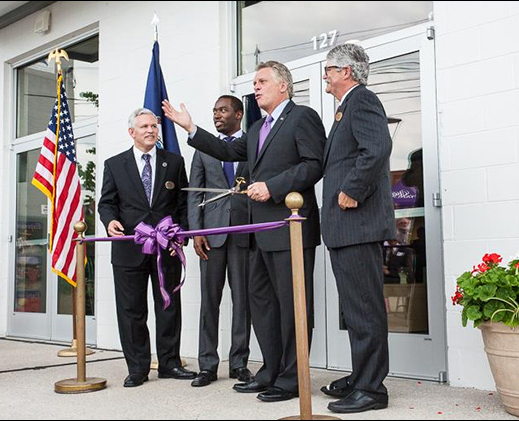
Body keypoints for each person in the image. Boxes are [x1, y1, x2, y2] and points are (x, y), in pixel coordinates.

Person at [163, 60, 326, 402]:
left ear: (284, 85)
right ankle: (270, 370)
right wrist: (191, 128)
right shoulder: (256, 128)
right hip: (258, 235)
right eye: (254, 81)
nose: (256, 86)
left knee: (292, 305)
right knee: (262, 305)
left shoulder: (302, 117)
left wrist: (272, 187)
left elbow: (314, 165)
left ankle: (293, 378)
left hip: (289, 230)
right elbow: (224, 149)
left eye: (262, 80)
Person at [319, 44, 395, 413]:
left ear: (346, 71)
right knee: (355, 308)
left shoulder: (362, 100)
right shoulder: (345, 107)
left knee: (364, 309)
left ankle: (372, 390)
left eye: (329, 69)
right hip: (345, 228)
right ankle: (360, 376)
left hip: (358, 225)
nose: (325, 76)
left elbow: (378, 148)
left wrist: (352, 190)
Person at [98, 108, 196, 388]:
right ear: (132, 132)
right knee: (132, 310)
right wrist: (110, 221)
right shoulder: (115, 164)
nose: (151, 130)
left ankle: (170, 364)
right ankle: (138, 368)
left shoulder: (174, 162)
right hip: (129, 248)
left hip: (166, 247)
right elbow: (107, 202)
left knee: (168, 305)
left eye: (154, 126)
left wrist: (183, 232)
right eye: (144, 127)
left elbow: (182, 202)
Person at [188, 95, 253, 387]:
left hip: (243, 233)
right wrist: (196, 232)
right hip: (211, 235)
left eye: (223, 110)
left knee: (243, 301)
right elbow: (194, 193)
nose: (217, 115)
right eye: (214, 111)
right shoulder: (203, 150)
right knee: (209, 302)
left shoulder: (253, 144)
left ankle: (239, 363)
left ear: (238, 114)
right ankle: (207, 365)